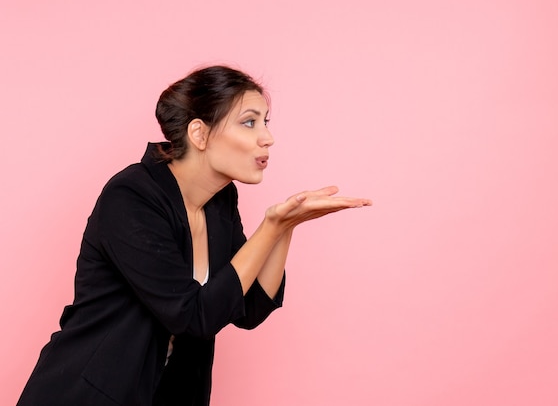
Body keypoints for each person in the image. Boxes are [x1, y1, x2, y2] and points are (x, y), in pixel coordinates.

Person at [16, 65, 372, 406]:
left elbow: (248, 307)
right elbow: (193, 316)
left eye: (265, 122)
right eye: (249, 123)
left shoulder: (220, 200)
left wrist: (287, 227)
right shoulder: (131, 197)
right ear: (199, 133)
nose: (268, 138)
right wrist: (271, 226)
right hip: (87, 396)